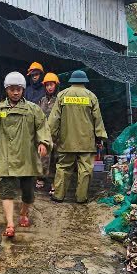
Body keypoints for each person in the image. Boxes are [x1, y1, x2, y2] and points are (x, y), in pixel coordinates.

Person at [0, 71, 51, 238]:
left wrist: (43, 142)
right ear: (6, 90)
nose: (15, 92)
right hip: (5, 157)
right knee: (7, 191)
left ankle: (24, 213)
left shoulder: (33, 109)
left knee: (28, 193)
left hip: (26, 156)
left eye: (19, 89)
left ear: (23, 90)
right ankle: (10, 223)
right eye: (12, 89)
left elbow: (42, 127)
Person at [48, 69, 106, 204]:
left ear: (71, 81)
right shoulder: (91, 96)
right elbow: (97, 120)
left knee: (63, 167)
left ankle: (58, 195)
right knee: (85, 170)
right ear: (84, 81)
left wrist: (51, 137)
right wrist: (100, 138)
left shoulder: (62, 95)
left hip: (66, 141)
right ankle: (81, 197)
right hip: (86, 142)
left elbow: (54, 120)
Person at [35, 72, 60, 189]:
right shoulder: (42, 100)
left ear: (56, 85)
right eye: (47, 85)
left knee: (56, 159)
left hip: (57, 136)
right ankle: (41, 178)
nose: (49, 87)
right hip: (44, 135)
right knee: (43, 158)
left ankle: (55, 183)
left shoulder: (60, 100)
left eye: (52, 85)